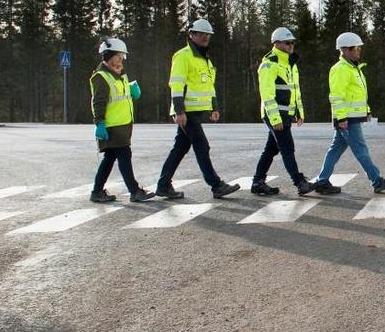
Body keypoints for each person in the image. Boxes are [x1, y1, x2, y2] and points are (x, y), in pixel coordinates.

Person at [156, 19, 239, 200]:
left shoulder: (205, 60)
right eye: (201, 34)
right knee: (202, 146)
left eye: (208, 35)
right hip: (186, 112)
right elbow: (176, 85)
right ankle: (216, 185)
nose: (205, 38)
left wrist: (214, 107)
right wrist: (179, 111)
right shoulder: (183, 56)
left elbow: (209, 87)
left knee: (180, 149)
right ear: (192, 35)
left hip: (195, 112)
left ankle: (163, 185)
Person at [312, 32, 385, 195]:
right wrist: (341, 117)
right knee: (361, 150)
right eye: (356, 48)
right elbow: (337, 96)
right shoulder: (340, 69)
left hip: (351, 117)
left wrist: (367, 110)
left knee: (335, 150)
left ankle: (322, 181)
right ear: (345, 50)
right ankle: (376, 180)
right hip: (347, 119)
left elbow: (358, 93)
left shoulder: (353, 68)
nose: (359, 51)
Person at [251, 27, 324, 196]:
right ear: (276, 44)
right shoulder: (270, 63)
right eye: (287, 43)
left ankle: (257, 182)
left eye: (292, 42)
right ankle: (299, 183)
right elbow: (267, 94)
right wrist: (275, 118)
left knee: (271, 149)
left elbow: (295, 90)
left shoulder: (290, 63)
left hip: (286, 114)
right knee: (287, 147)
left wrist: (299, 112)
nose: (291, 45)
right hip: (275, 114)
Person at [89, 38, 154, 203]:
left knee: (110, 158)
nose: (122, 59)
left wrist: (133, 92)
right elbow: (98, 102)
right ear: (110, 55)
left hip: (123, 126)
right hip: (112, 126)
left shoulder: (120, 75)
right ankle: (135, 190)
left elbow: (122, 98)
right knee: (124, 155)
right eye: (120, 55)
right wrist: (100, 123)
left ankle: (97, 192)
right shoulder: (101, 77)